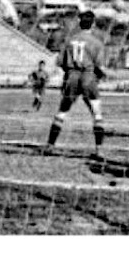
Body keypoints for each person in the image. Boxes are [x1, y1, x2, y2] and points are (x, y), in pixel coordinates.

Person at [43, 11, 106, 158]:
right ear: (93, 23)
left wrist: (69, 73)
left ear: (79, 23)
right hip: (88, 77)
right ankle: (99, 150)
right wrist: (101, 76)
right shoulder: (97, 43)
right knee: (97, 113)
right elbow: (100, 67)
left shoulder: (69, 40)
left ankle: (50, 145)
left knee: (62, 112)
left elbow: (60, 62)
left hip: (72, 77)